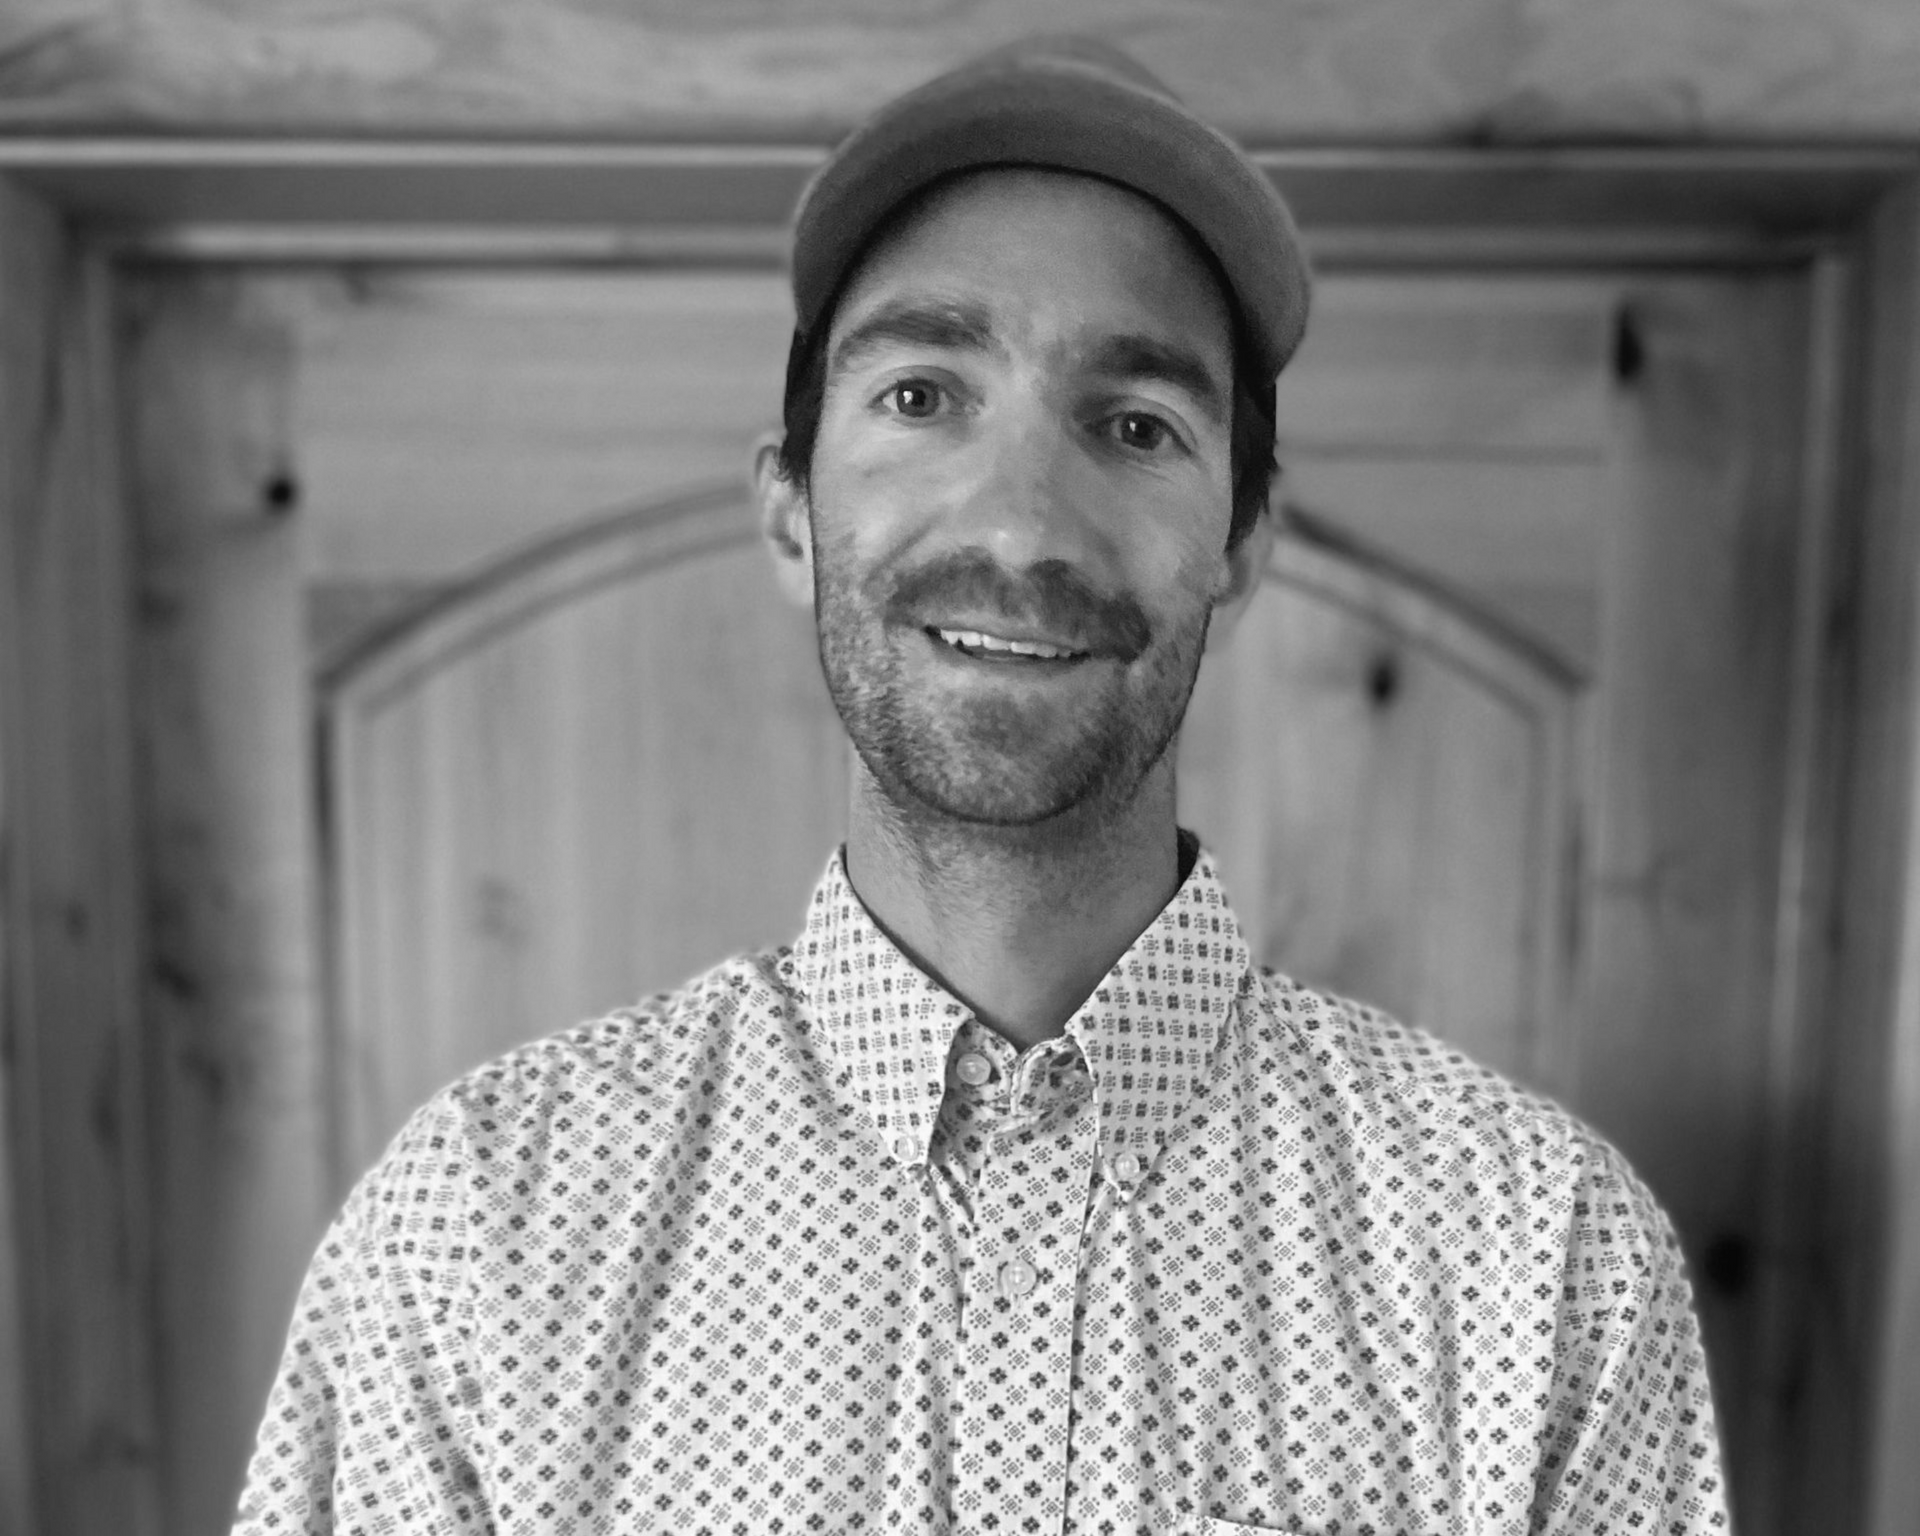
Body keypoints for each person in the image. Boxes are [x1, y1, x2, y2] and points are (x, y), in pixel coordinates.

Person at [235, 35, 1729, 1536]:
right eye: (922, 395)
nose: (1020, 525)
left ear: (1242, 541)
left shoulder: (1540, 1261)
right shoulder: (479, 1233)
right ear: (789, 511)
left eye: (1136, 426)